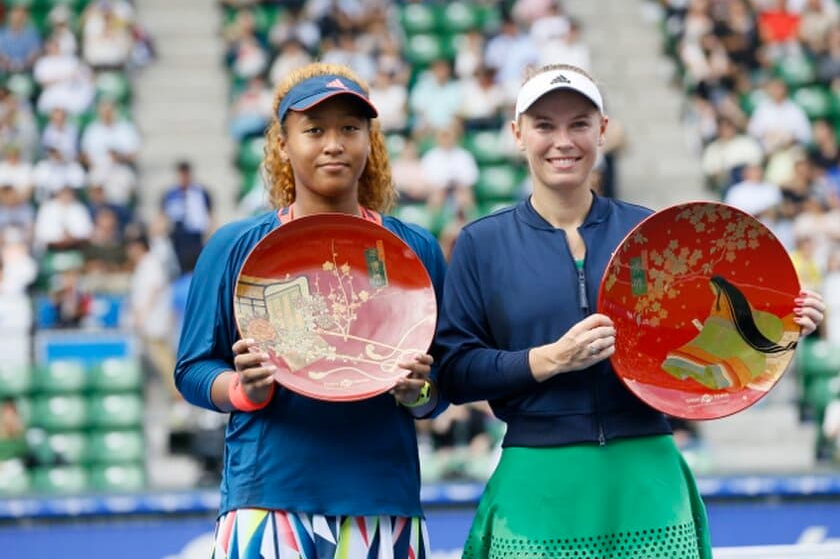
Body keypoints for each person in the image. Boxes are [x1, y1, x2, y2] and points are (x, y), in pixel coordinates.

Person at [434, 64, 827, 559]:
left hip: (648, 479)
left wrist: (777, 325)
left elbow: (703, 344)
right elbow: (455, 372)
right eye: (544, 126)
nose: (563, 141)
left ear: (602, 131)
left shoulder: (651, 233)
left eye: (579, 123)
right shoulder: (481, 243)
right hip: (538, 482)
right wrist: (549, 359)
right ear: (517, 135)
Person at [174, 62, 447, 558]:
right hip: (267, 501)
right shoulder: (235, 246)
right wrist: (242, 388)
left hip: (382, 502)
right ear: (283, 143)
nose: (334, 144)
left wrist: (419, 392)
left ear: (370, 138)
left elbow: (444, 384)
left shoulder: (414, 250)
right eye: (314, 130)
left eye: (350, 128)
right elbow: (192, 368)